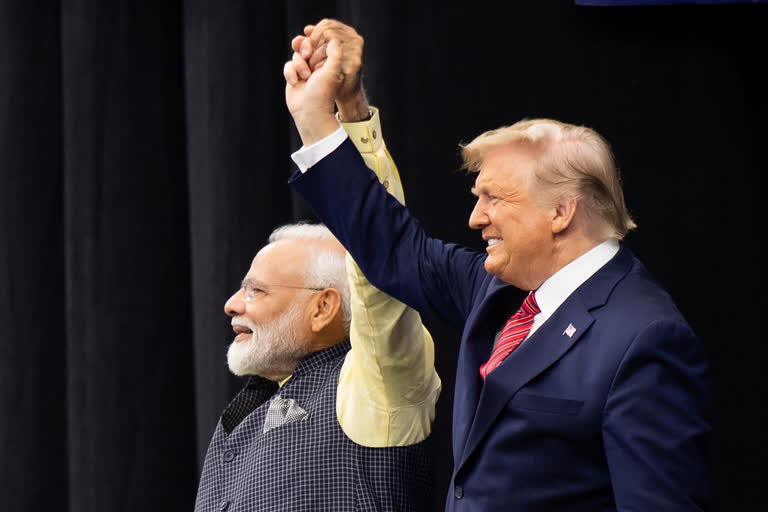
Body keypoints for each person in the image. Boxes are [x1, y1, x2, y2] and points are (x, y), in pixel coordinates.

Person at [283, 20, 712, 511]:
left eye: (493, 198)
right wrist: (326, 116)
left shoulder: (646, 339)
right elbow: (393, 248)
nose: (475, 217)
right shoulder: (501, 292)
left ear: (560, 212)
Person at [194, 24, 441, 512]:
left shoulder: (378, 383)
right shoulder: (247, 411)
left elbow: (382, 259)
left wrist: (340, 116)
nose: (231, 304)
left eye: (256, 291)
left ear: (324, 306)